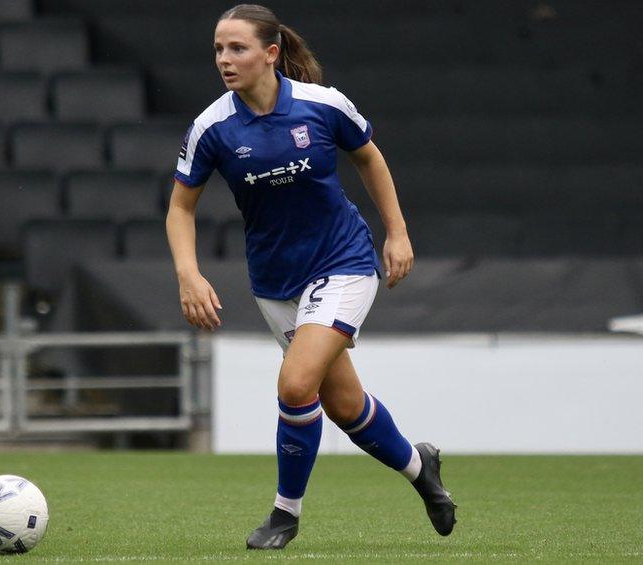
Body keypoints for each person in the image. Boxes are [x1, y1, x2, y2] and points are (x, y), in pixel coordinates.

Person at [165, 4, 456, 550]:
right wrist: (189, 274)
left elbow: (369, 157)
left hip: (343, 262)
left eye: (237, 48)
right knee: (345, 406)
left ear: (271, 53)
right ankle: (422, 469)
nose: (224, 60)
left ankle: (284, 514)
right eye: (218, 50)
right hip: (275, 282)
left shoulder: (323, 106)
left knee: (296, 385)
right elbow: (180, 208)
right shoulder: (213, 127)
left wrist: (396, 232)